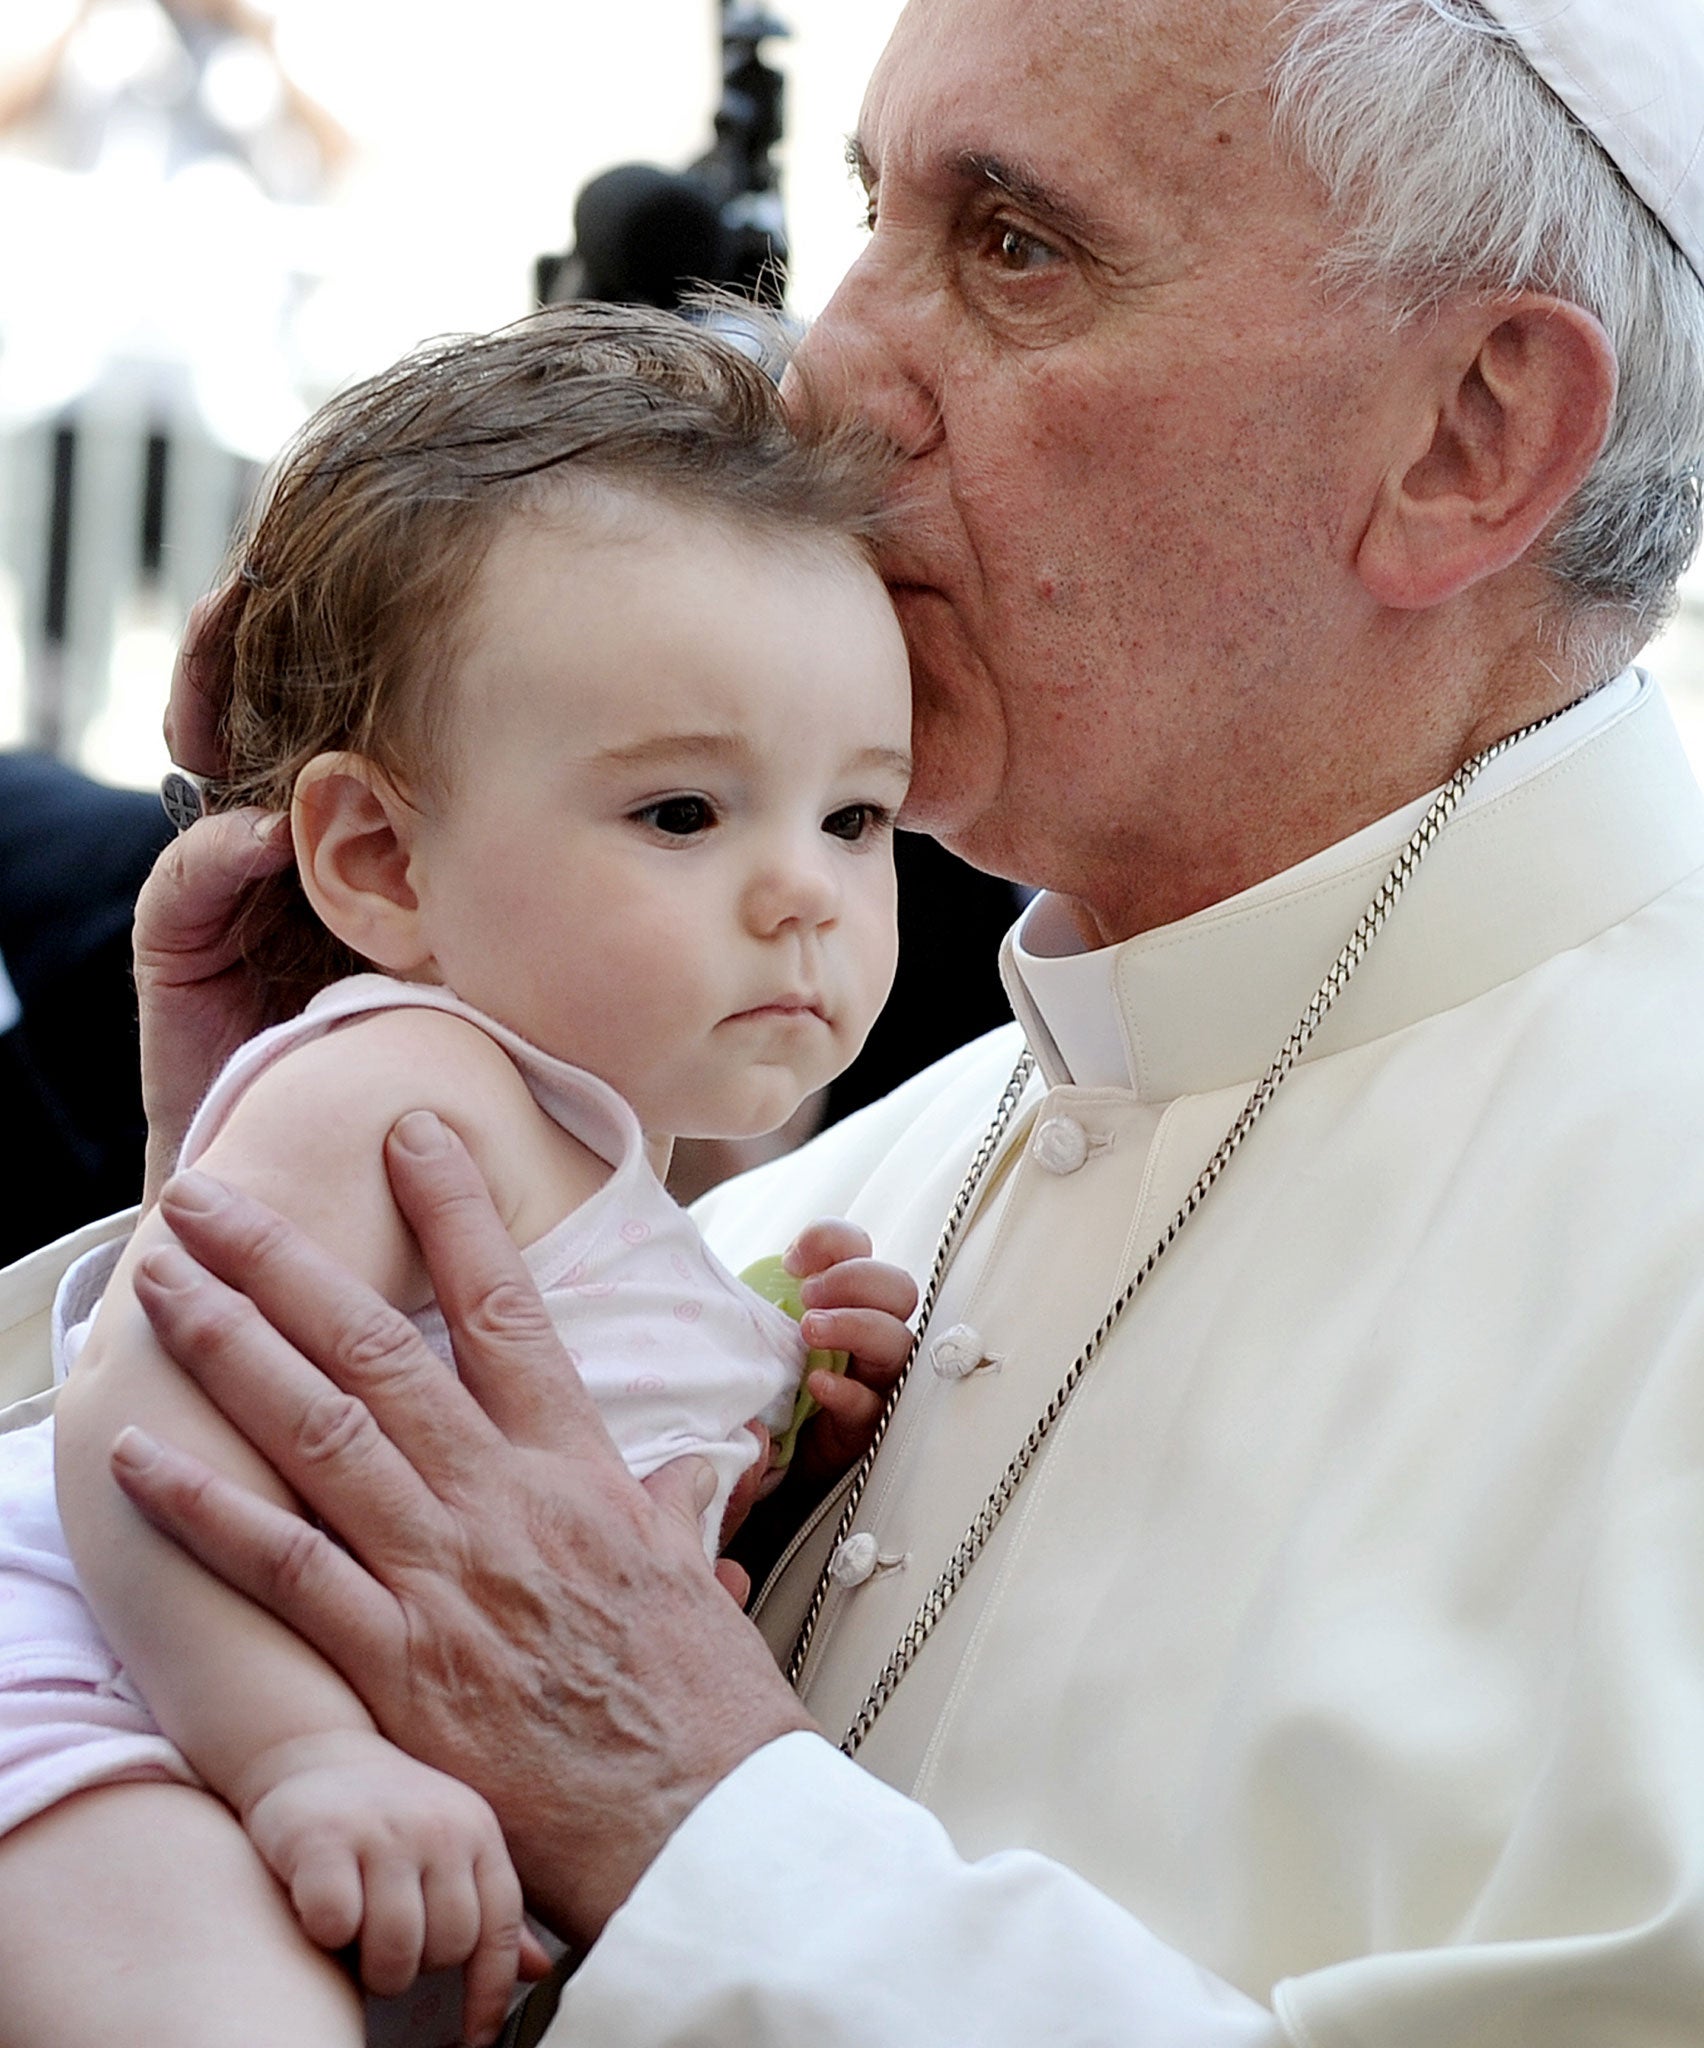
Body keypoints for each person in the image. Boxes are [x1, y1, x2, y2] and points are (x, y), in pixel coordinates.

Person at [6, 0, 1704, 2041]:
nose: (830, 365)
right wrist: (260, 1203)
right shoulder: (840, 1167)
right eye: (866, 216)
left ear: (1469, 436)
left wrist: (692, 1818)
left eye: (1012, 245)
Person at [0, 305, 919, 2048]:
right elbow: (140, 1422)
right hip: (96, 1712)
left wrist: (773, 1396)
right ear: (379, 860)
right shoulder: (409, 1087)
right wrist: (305, 1757)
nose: (805, 892)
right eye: (682, 814)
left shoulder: (595, 1151)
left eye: (856, 818)